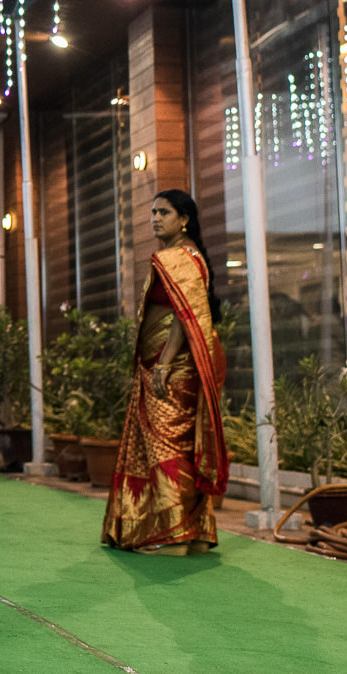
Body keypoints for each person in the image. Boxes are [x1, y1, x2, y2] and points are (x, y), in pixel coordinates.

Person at [101, 188, 229, 556]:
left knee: (167, 446)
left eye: (164, 212)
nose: (155, 218)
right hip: (160, 365)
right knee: (180, 447)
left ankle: (174, 537)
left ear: (184, 219)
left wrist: (164, 363)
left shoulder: (181, 258)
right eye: (153, 212)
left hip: (171, 368)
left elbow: (182, 319)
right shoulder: (179, 257)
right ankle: (197, 533)